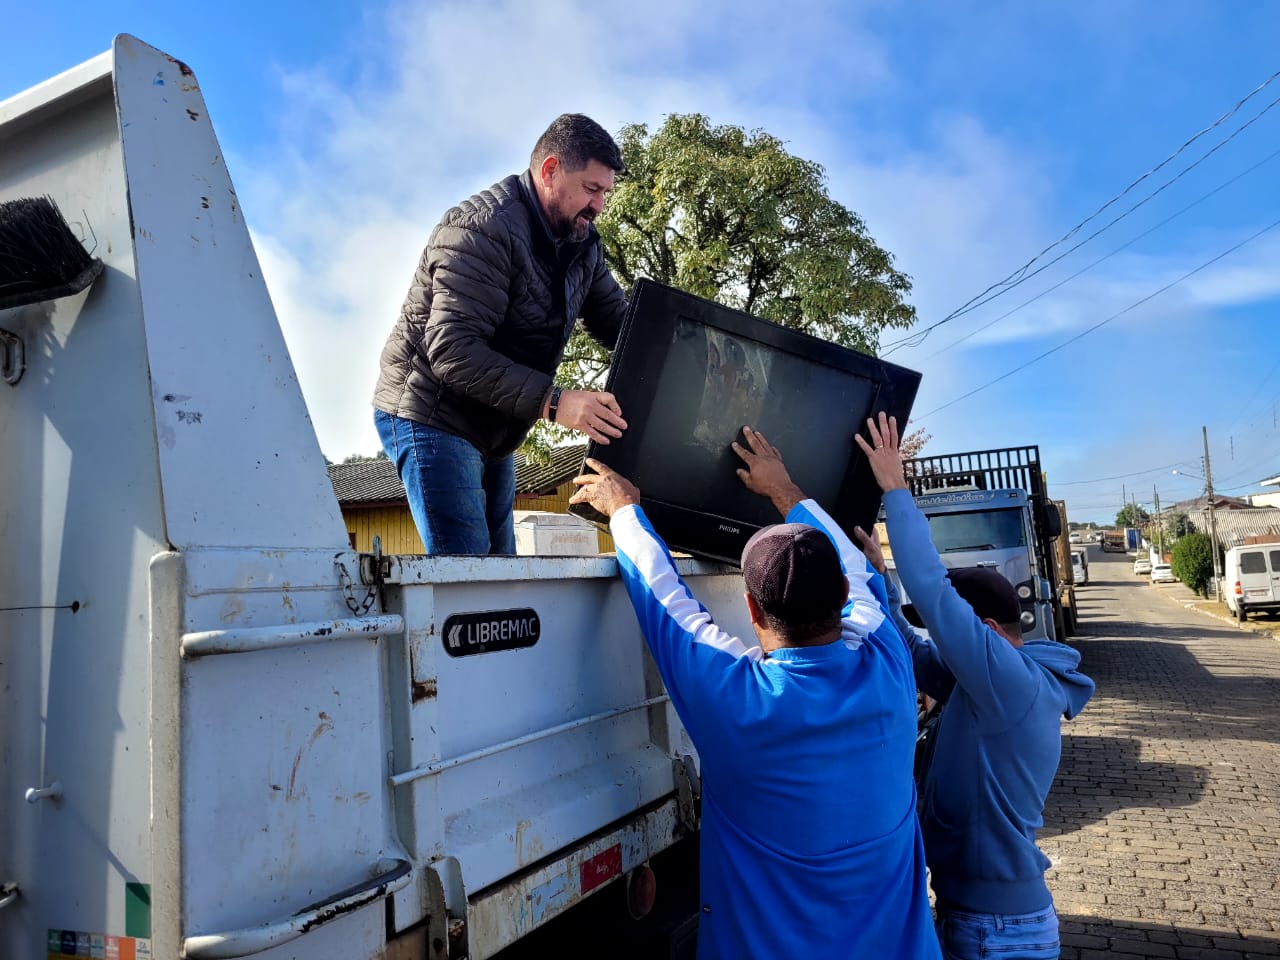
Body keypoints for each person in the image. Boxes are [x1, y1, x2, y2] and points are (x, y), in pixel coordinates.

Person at [570, 427, 940, 960]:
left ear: (752, 611)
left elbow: (662, 597)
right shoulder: (889, 661)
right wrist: (784, 489)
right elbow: (859, 571)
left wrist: (623, 507)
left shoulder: (738, 702)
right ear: (841, 595)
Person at [854, 412, 1094, 960]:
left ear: (985, 631)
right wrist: (880, 577)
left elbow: (933, 590)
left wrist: (895, 489)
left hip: (997, 933)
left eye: (956, 632)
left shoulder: (1012, 684)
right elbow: (914, 653)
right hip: (983, 921)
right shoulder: (985, 686)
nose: (940, 635)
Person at [373, 113, 630, 555]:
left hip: (495, 422)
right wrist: (556, 402)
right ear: (550, 170)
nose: (599, 205)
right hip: (433, 412)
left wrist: (686, 350)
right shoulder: (481, 228)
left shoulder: (582, 243)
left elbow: (619, 322)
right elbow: (453, 351)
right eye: (591, 189)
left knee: (503, 570)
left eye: (605, 192)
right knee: (472, 575)